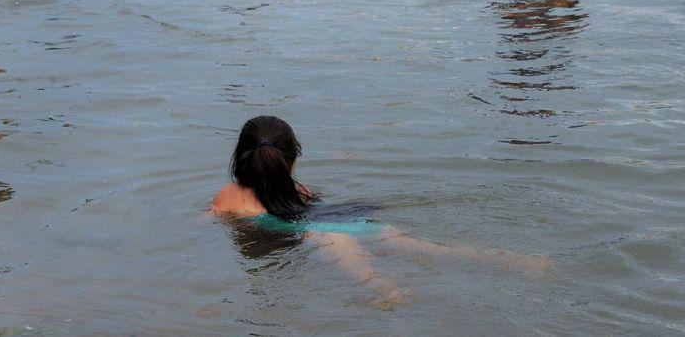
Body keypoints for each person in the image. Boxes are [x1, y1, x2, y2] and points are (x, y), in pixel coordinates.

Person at [210, 116, 544, 309]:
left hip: (319, 231)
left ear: (240, 159)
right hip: (345, 220)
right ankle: (512, 259)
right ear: (292, 161)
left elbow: (210, 222)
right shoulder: (300, 190)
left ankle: (387, 290)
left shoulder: (228, 197)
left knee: (355, 263)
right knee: (424, 246)